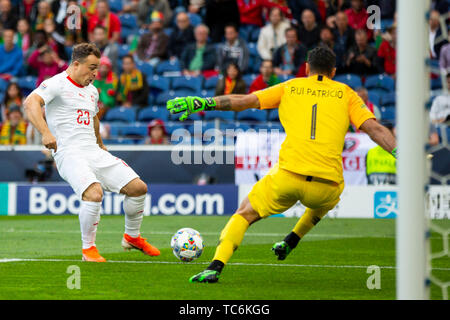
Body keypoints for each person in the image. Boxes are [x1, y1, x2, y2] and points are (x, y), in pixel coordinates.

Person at [166, 46, 397, 282]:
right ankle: (291, 240)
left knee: (244, 214)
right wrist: (401, 153)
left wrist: (202, 103)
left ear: (306, 68)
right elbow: (374, 129)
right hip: (325, 186)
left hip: (288, 177)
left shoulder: (290, 87)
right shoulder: (346, 93)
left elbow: (244, 101)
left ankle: (215, 266)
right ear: (334, 72)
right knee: (331, 196)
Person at [23, 43, 160, 262]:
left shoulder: (92, 91)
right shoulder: (56, 83)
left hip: (93, 150)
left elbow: (93, 118)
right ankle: (89, 249)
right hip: (68, 152)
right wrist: (45, 133)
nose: (95, 73)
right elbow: (31, 102)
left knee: (138, 188)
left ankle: (132, 237)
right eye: (92, 67)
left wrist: (101, 144)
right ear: (76, 64)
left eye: (97, 68)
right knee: (94, 193)